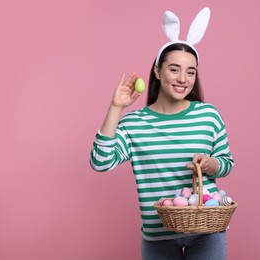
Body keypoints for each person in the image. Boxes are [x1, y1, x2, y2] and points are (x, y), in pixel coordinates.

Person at [90, 7, 234, 260]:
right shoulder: (135, 123)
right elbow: (100, 163)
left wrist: (211, 164)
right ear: (157, 71)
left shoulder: (209, 115)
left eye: (191, 71)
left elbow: (226, 164)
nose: (183, 79)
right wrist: (116, 108)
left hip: (207, 230)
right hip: (158, 235)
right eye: (174, 69)